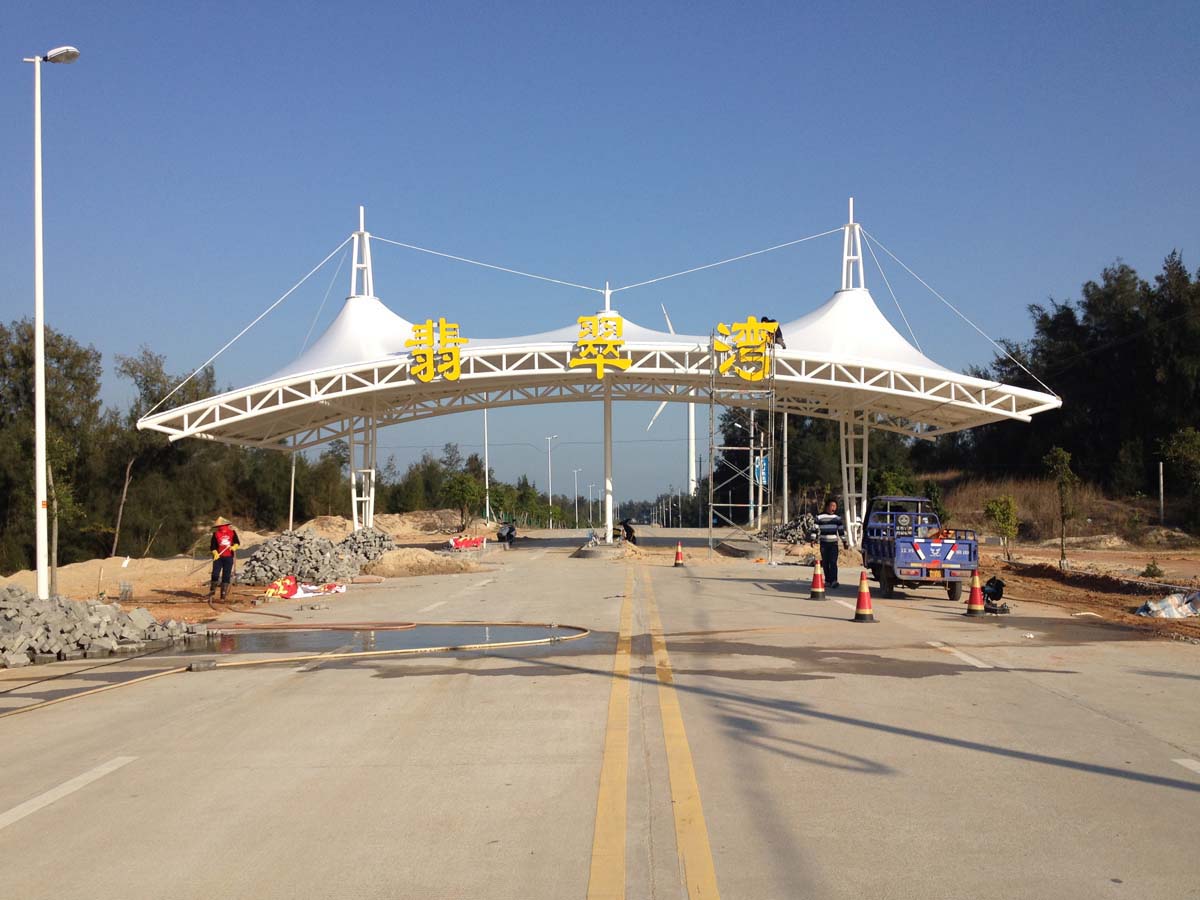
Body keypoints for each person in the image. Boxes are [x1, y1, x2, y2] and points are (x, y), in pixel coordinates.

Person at [809, 499, 848, 588]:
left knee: (833, 562)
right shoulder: (819, 517)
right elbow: (814, 529)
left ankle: (834, 580)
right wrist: (812, 539)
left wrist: (844, 541)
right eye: (832, 506)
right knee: (826, 562)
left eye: (835, 506)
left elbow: (841, 531)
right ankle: (827, 580)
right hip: (824, 543)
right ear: (827, 506)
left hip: (833, 544)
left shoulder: (837, 518)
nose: (834, 508)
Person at [208, 516, 240, 600]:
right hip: (218, 557)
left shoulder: (232, 532)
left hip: (228, 557)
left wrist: (235, 546)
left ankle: (223, 595)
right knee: (215, 573)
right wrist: (215, 552)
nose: (220, 527)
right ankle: (212, 591)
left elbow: (237, 542)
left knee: (226, 575)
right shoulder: (215, 534)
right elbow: (212, 546)